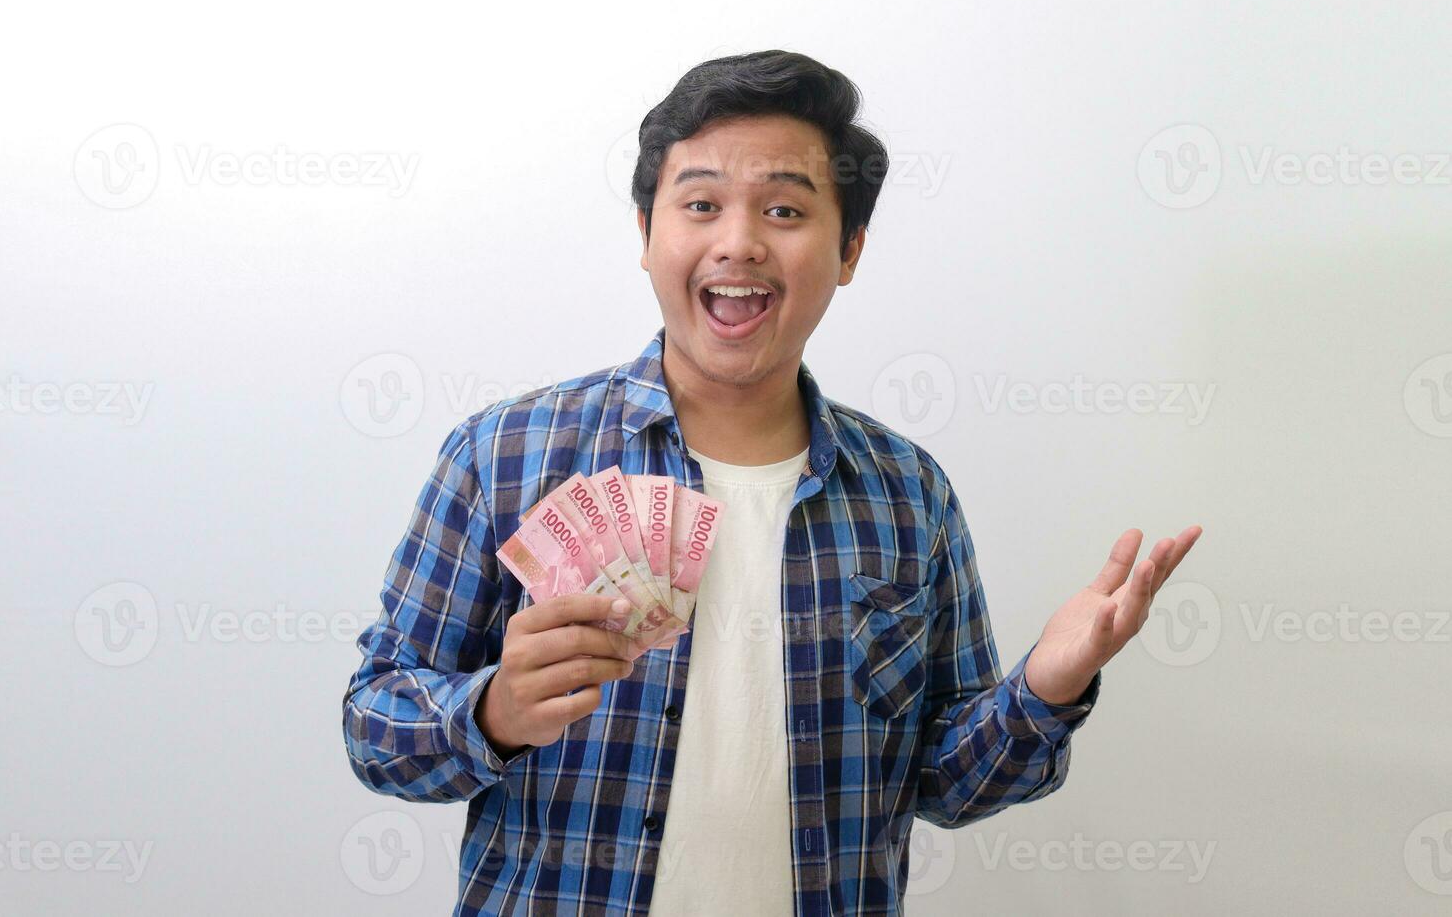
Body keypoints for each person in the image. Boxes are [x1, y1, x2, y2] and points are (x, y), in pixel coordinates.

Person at [341, 49, 1202, 916]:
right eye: (702, 204)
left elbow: (946, 783)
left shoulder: (909, 495)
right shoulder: (506, 455)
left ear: (850, 248)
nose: (739, 241)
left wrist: (1046, 688)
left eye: (786, 208)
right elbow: (373, 726)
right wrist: (489, 712)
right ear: (646, 232)